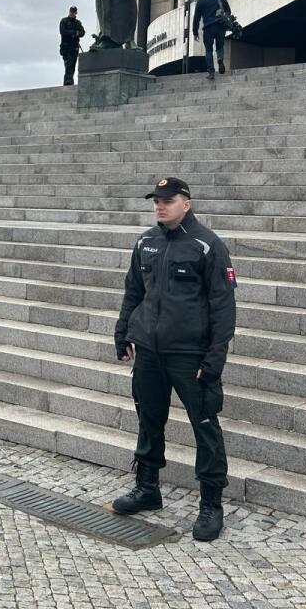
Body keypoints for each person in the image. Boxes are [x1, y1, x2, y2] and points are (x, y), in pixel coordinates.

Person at [111, 177, 237, 542]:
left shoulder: (208, 246)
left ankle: (211, 505)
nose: (159, 206)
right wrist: (123, 334)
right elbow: (133, 291)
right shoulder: (146, 242)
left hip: (190, 355)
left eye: (167, 200)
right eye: (156, 201)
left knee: (205, 427)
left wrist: (214, 359)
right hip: (149, 350)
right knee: (149, 420)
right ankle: (147, 488)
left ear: (187, 203)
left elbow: (223, 307)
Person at [192, 0, 233, 79]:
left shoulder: (201, 2)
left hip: (208, 28)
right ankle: (220, 59)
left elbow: (196, 18)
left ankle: (211, 72)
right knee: (220, 46)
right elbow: (228, 11)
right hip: (220, 26)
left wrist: (195, 32)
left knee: (208, 50)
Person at [59, 6, 86, 85]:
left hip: (74, 47)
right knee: (68, 65)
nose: (72, 13)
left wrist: (76, 33)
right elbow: (63, 32)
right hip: (66, 47)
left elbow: (82, 32)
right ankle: (68, 82)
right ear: (69, 12)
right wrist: (74, 32)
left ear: (76, 13)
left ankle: (69, 81)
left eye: (74, 12)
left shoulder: (77, 23)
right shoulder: (64, 21)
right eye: (71, 11)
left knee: (73, 66)